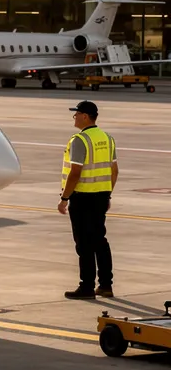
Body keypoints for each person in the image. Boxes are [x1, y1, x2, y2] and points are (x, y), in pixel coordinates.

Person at [57, 100, 116, 300]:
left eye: (76, 114)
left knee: (84, 244)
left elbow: (75, 172)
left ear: (84, 116)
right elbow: (114, 170)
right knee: (100, 240)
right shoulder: (107, 138)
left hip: (82, 198)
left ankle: (87, 286)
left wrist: (65, 198)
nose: (74, 118)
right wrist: (107, 194)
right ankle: (106, 285)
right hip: (100, 197)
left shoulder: (79, 140)